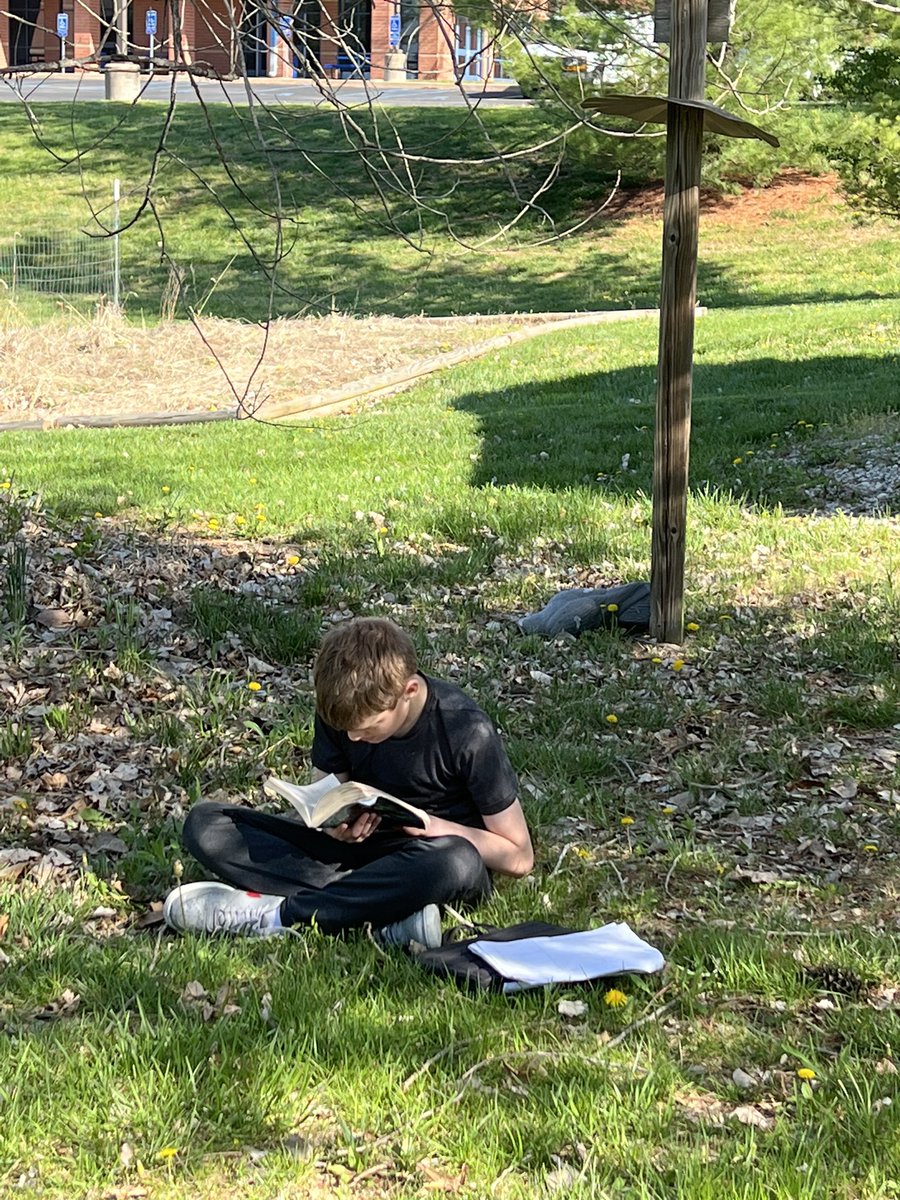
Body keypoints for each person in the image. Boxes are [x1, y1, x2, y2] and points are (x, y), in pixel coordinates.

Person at [163, 617, 534, 949]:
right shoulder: (344, 708)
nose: (354, 739)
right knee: (208, 823)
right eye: (346, 731)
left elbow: (519, 856)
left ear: (408, 692)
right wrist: (332, 826)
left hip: (429, 864)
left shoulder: (466, 729)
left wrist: (434, 827)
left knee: (457, 861)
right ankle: (381, 919)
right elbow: (327, 789)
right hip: (356, 858)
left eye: (369, 728)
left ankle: (275, 917)